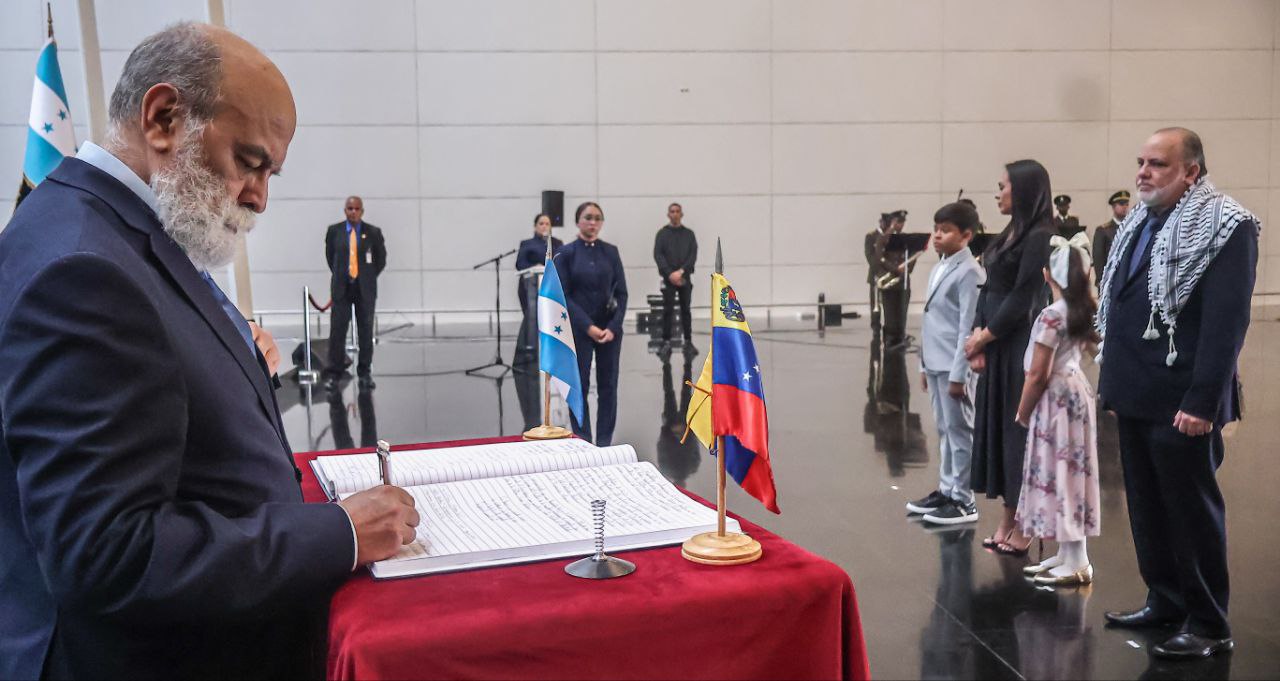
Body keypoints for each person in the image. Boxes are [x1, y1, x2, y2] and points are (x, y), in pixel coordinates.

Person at [0, 23, 418, 679]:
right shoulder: (85, 269)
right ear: (164, 118)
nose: (259, 197)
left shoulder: (115, 230)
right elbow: (109, 553)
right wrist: (338, 533)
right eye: (250, 162)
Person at [1096, 128, 1257, 660]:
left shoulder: (1226, 225)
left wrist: (1202, 401)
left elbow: (1226, 325)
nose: (1143, 172)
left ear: (1191, 171)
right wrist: (1113, 387)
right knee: (1147, 509)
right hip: (1137, 393)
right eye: (1141, 162)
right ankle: (1165, 600)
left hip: (1183, 399)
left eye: (1158, 164)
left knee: (1190, 513)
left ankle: (1209, 623)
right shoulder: (1139, 222)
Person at [963, 159, 1055, 557]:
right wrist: (978, 338)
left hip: (1017, 342)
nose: (998, 192)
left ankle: (1026, 522)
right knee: (1001, 433)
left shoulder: (1040, 235)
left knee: (1019, 435)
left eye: (1003, 186)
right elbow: (989, 289)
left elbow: (1023, 297)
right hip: (996, 342)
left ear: (1024, 190)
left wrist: (985, 336)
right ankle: (1008, 517)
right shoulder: (1011, 232)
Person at [1015, 234, 1101, 586]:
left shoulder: (1052, 315)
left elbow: (1038, 373)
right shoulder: (1081, 310)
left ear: (1047, 275)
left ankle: (1077, 560)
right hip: (1075, 391)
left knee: (1061, 471)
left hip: (1055, 398)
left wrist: (1023, 411)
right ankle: (1068, 552)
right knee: (1071, 470)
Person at [908, 202, 985, 525]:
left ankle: (964, 498)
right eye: (936, 229)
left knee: (960, 432)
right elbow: (931, 320)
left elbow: (968, 326)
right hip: (936, 362)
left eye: (946, 230)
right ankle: (947, 488)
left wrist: (959, 374)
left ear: (966, 235)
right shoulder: (940, 267)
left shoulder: (970, 272)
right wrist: (924, 365)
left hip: (954, 366)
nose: (938, 235)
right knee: (944, 429)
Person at [557, 201, 628, 446]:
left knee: (609, 386)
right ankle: (583, 440)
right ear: (578, 221)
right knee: (579, 386)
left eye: (597, 218)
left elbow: (622, 293)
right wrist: (588, 326)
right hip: (580, 328)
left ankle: (605, 442)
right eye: (588, 217)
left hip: (609, 330)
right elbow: (564, 295)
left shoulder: (611, 252)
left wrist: (613, 327)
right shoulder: (566, 253)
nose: (593, 222)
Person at [324, 195, 386, 391]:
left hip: (364, 289)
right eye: (350, 208)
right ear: (345, 211)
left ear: (362, 211)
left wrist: (366, 277)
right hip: (342, 288)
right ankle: (335, 374)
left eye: (356, 209)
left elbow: (380, 260)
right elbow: (330, 258)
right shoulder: (334, 231)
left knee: (365, 332)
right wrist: (342, 275)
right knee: (337, 332)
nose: (353, 212)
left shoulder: (373, 232)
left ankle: (365, 373)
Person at [653, 202, 698, 353]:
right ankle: (666, 342)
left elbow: (692, 255)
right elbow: (658, 255)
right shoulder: (662, 234)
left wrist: (681, 272)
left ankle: (688, 341)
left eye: (677, 211)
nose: (675, 214)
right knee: (668, 310)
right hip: (668, 279)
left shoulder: (689, 234)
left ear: (681, 214)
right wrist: (670, 273)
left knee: (686, 310)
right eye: (672, 211)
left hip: (685, 278)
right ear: (668, 214)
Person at [515, 213, 563, 354]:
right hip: (530, 287)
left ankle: (550, 350)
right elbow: (520, 264)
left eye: (547, 224)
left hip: (551, 288)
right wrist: (535, 266)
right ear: (535, 226)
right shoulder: (527, 244)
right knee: (532, 319)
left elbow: (563, 263)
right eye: (541, 223)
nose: (544, 226)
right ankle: (531, 350)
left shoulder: (557, 243)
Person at [865, 209, 912, 346]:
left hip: (897, 278)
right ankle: (876, 330)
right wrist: (891, 270)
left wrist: (901, 271)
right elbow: (873, 259)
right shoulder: (872, 236)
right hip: (878, 276)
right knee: (877, 306)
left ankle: (897, 333)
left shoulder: (899, 237)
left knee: (897, 308)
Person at [1092, 190, 1130, 284]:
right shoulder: (1103, 231)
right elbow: (1098, 258)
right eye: (1121, 204)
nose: (1124, 207)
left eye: (1126, 204)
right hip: (1110, 279)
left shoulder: (1131, 228)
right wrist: (1100, 280)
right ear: (1113, 207)